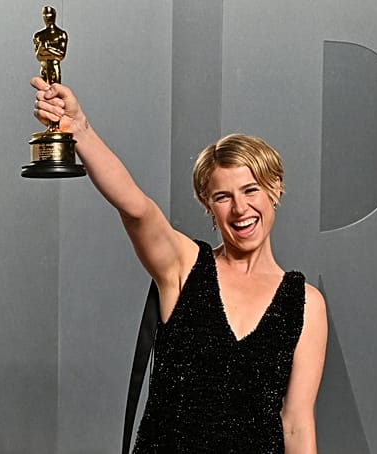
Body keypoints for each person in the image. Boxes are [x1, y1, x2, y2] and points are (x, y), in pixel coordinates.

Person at [32, 78, 327, 453]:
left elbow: (297, 424)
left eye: (251, 190)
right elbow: (137, 209)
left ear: (275, 190)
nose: (240, 209)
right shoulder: (186, 267)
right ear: (208, 205)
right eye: (223, 197)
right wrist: (81, 131)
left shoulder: (305, 304)